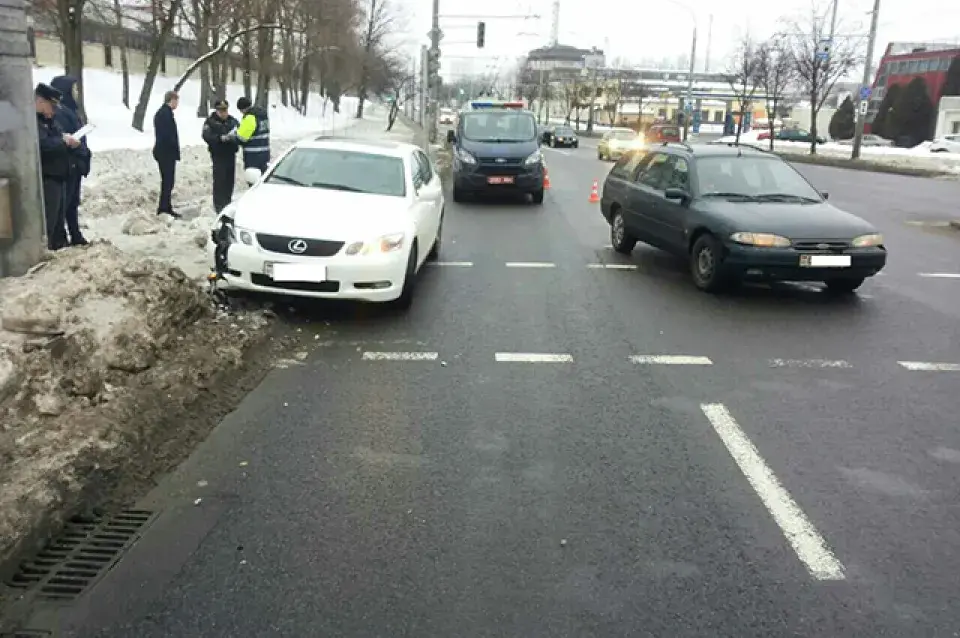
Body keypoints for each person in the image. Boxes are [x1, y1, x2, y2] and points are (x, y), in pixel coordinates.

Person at [35, 83, 79, 250]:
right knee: (49, 220)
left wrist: (66, 139)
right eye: (51, 106)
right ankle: (47, 249)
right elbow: (43, 144)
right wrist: (63, 141)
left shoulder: (49, 121)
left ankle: (56, 245)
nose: (54, 111)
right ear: (40, 102)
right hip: (48, 177)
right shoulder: (34, 122)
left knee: (58, 219)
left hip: (60, 176)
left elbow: (57, 136)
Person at [49, 75, 91, 246]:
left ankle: (75, 233)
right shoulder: (59, 111)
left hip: (76, 162)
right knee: (64, 203)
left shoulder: (71, 109)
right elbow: (62, 136)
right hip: (69, 163)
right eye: (73, 88)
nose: (76, 92)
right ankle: (60, 237)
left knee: (73, 202)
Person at [202, 99, 240, 213]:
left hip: (230, 154)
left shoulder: (232, 121)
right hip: (218, 155)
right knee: (220, 180)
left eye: (225, 110)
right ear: (216, 110)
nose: (223, 113)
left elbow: (239, 131)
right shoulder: (211, 122)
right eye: (221, 111)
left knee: (229, 180)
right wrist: (219, 138)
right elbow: (206, 136)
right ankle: (219, 206)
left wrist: (235, 138)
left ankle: (227, 202)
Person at [152, 90, 181, 218]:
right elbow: (167, 135)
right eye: (176, 101)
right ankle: (163, 208)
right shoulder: (164, 114)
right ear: (172, 100)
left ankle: (167, 206)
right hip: (165, 152)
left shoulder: (165, 113)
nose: (177, 104)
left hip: (165, 151)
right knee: (167, 181)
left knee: (168, 181)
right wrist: (172, 147)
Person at [235, 96, 270, 172]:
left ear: (243, 108)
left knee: (252, 179)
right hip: (265, 154)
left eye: (240, 110)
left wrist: (233, 136)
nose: (241, 112)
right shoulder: (262, 116)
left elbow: (242, 138)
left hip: (253, 156)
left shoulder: (250, 117)